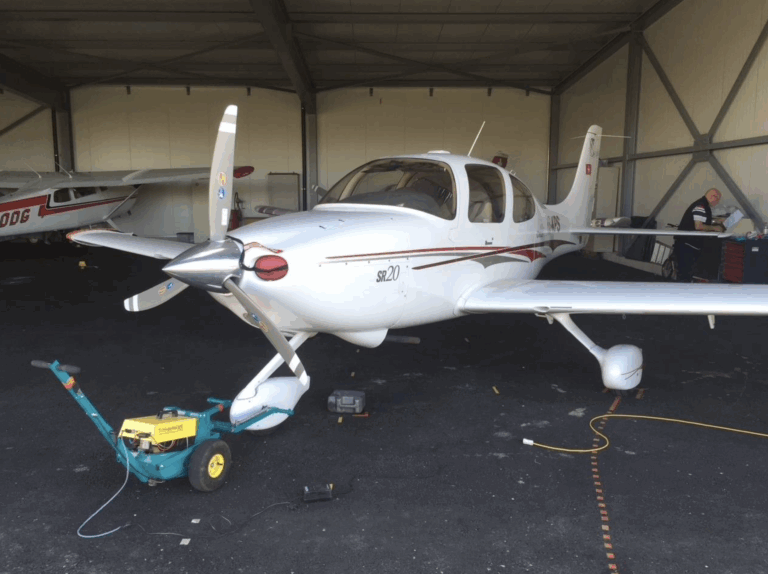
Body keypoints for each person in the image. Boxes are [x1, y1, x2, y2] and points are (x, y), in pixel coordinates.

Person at [673, 188, 725, 282]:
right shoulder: (701, 206)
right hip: (687, 246)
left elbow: (702, 220)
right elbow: (699, 226)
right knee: (685, 275)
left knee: (686, 274)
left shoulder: (703, 205)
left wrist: (716, 221)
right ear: (713, 197)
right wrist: (715, 228)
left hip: (688, 245)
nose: (718, 202)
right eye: (718, 199)